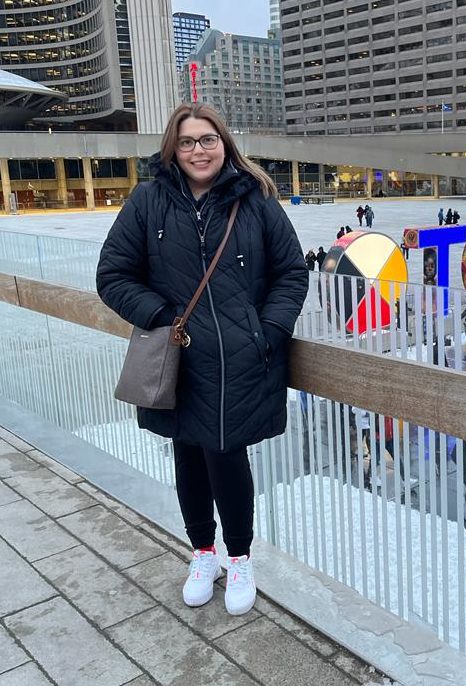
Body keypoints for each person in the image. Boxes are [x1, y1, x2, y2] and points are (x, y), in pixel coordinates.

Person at [96, 103, 308, 616]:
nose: (198, 150)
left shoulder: (254, 200)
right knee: (189, 455)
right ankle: (202, 553)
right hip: (180, 358)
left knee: (227, 455)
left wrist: (268, 332)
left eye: (207, 139)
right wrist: (164, 316)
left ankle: (239, 558)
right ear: (174, 146)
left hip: (239, 359)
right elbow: (113, 275)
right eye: (188, 141)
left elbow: (291, 274)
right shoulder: (148, 201)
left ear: (224, 143)